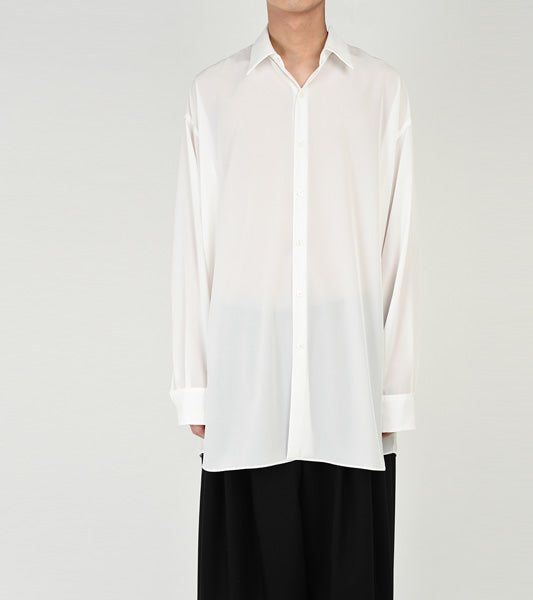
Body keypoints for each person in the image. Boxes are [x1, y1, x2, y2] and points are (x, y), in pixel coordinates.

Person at [169, 1, 418, 598]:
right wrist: (196, 386)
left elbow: (398, 249)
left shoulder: (381, 90)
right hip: (246, 398)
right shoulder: (214, 93)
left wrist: (391, 395)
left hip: (349, 400)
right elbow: (195, 244)